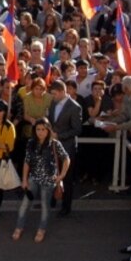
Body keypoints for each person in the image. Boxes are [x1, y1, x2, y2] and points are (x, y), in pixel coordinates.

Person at [12, 118, 70, 243]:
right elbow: (27, 162)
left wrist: (62, 175)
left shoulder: (54, 144)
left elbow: (66, 158)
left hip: (48, 181)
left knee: (45, 206)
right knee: (25, 204)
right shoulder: (31, 143)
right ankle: (19, 227)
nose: (40, 132)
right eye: (38, 129)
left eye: (43, 129)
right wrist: (24, 179)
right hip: (33, 178)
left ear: (48, 130)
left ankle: (41, 229)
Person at [47, 79, 83, 216]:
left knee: (66, 178)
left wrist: (59, 136)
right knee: (52, 173)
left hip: (66, 147)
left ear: (63, 92)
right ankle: (51, 200)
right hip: (52, 145)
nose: (53, 96)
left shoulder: (74, 107)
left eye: (55, 94)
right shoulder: (53, 103)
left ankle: (66, 207)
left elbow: (77, 129)